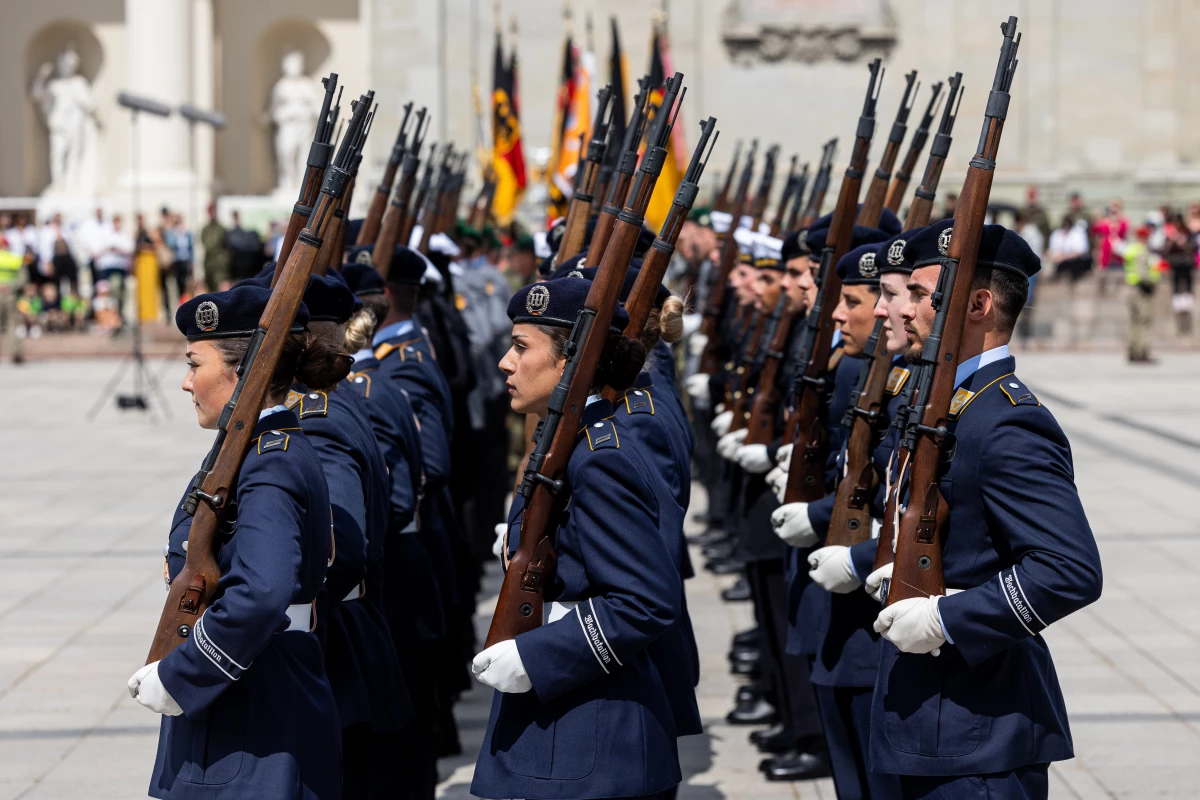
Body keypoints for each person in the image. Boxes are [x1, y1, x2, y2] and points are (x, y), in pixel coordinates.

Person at [864, 220, 1102, 797]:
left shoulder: (1006, 421)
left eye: (919, 295)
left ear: (977, 304)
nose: (893, 309)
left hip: (978, 727)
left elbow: (1068, 569)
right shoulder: (947, 402)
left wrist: (949, 618)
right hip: (931, 717)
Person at [126, 283, 341, 799]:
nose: (185, 383)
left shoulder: (270, 460)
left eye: (195, 364)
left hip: (253, 709)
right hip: (243, 695)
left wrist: (186, 673)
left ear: (242, 373)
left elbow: (262, 591)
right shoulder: (250, 451)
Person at [472, 276, 683, 800]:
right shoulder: (567, 444)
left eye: (522, 347)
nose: (506, 362)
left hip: (589, 737)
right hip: (562, 724)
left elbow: (645, 602)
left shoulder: (600, 458)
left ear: (569, 364)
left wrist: (538, 656)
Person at [1119, 225, 1160, 362]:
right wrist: (1152, 281)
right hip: (1141, 289)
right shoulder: (1142, 251)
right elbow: (1143, 273)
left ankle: (1132, 350)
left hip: (1130, 287)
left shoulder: (1131, 249)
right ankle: (1141, 352)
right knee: (1143, 320)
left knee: (1134, 321)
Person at [94, 214, 133, 329]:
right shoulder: (106, 235)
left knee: (119, 291)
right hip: (108, 267)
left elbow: (129, 249)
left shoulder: (124, 235)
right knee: (106, 293)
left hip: (120, 266)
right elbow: (99, 249)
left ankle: (118, 315)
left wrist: (118, 250)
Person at [1164, 212, 1195, 335]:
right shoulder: (1171, 234)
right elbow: (1166, 250)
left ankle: (1187, 300)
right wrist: (1172, 242)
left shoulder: (1188, 233)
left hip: (1186, 264)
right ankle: (1177, 301)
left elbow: (1193, 246)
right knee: (1176, 282)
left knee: (1187, 282)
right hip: (1176, 264)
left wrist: (1184, 244)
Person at [0, 228, 26, 363]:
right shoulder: (15, 258)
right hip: (10, 295)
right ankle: (16, 353)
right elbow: (22, 279)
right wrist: (11, 288)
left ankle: (16, 353)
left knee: (11, 324)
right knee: (12, 325)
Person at [200, 203, 231, 290]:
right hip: (209, 264)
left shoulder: (221, 228)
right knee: (210, 287)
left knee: (219, 288)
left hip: (219, 265)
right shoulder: (205, 229)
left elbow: (226, 245)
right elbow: (206, 244)